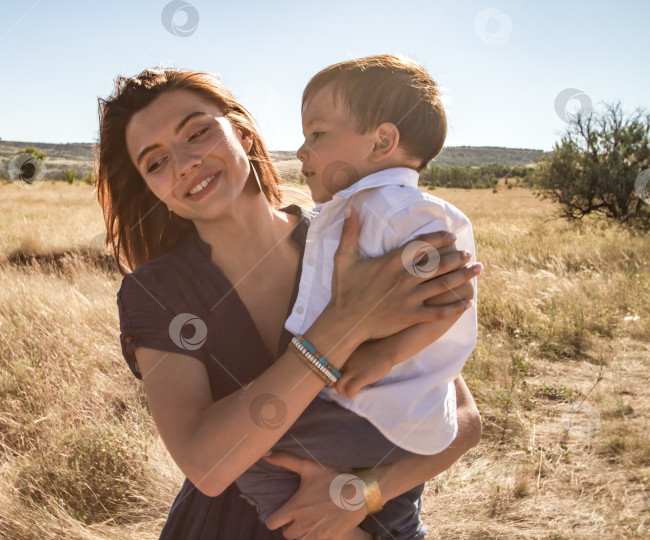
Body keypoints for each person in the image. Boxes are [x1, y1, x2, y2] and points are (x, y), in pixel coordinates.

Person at [95, 67, 483, 540]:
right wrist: (342, 325)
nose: (183, 163)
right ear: (155, 192)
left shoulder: (353, 232)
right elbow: (207, 463)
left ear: (240, 132)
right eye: (155, 163)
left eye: (197, 132)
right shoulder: (157, 292)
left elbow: (461, 418)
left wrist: (363, 493)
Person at [234, 55, 477, 539]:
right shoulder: (358, 207)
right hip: (368, 405)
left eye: (317, 134)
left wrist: (385, 353)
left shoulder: (401, 210)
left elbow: (454, 289)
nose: (302, 152)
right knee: (390, 508)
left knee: (246, 454)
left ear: (383, 141)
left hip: (379, 406)